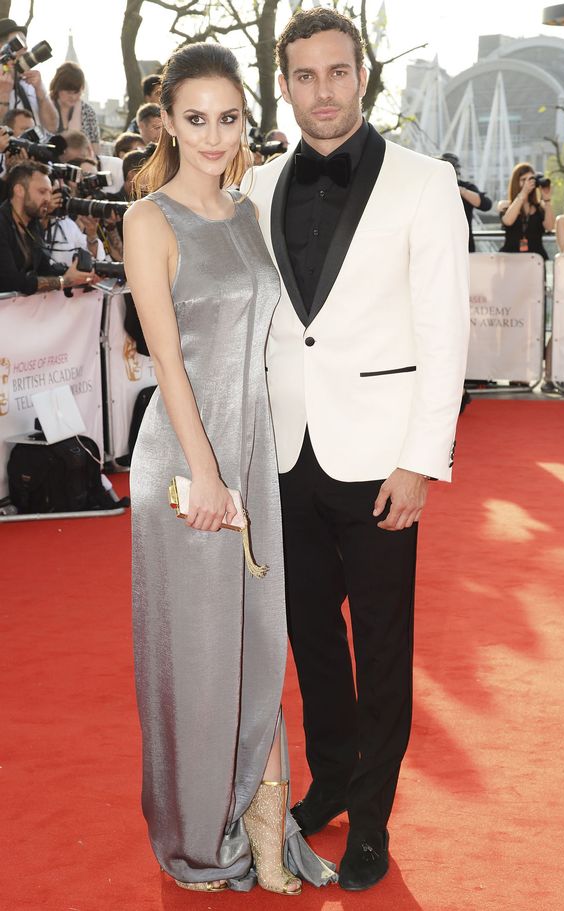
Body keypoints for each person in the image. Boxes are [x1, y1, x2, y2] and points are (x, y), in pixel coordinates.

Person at [241, 7, 469, 892]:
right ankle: (331, 775)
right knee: (306, 634)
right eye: (304, 76)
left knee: (379, 643)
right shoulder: (257, 186)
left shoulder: (422, 182)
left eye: (336, 73)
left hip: (381, 459)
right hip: (286, 451)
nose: (321, 91)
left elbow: (444, 332)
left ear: (362, 77)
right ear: (285, 83)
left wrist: (421, 457)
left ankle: (370, 815)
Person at [123, 41, 336, 895]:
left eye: (229, 118)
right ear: (167, 124)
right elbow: (168, 362)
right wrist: (207, 476)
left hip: (252, 462)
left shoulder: (247, 212)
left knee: (256, 645)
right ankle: (197, 835)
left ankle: (261, 819)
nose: (214, 137)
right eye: (196, 119)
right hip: (186, 469)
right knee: (198, 658)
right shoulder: (148, 220)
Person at [0, 160, 94, 293]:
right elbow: (10, 281)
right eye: (42, 192)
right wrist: (64, 281)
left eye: (50, 192)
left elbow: (45, 270)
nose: (48, 199)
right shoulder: (2, 225)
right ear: (19, 190)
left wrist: (82, 275)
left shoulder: (33, 225)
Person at [0, 18, 58, 136]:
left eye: (25, 42)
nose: (25, 48)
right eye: (19, 42)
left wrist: (41, 92)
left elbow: (52, 126)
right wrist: (4, 95)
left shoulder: (30, 83)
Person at [498, 162, 555, 259]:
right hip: (512, 259)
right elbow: (508, 221)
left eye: (531, 180)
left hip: (535, 259)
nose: (527, 183)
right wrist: (523, 192)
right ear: (516, 182)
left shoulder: (540, 207)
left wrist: (547, 200)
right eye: (523, 180)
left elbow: (550, 227)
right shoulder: (505, 205)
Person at [440, 152, 492, 252]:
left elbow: (486, 205)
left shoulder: (466, 187)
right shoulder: (433, 189)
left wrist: (459, 190)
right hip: (439, 246)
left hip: (464, 247)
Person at [49, 62, 101, 153]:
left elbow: (95, 147)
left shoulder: (88, 112)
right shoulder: (44, 105)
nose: (73, 97)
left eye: (77, 92)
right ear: (57, 87)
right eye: (68, 92)